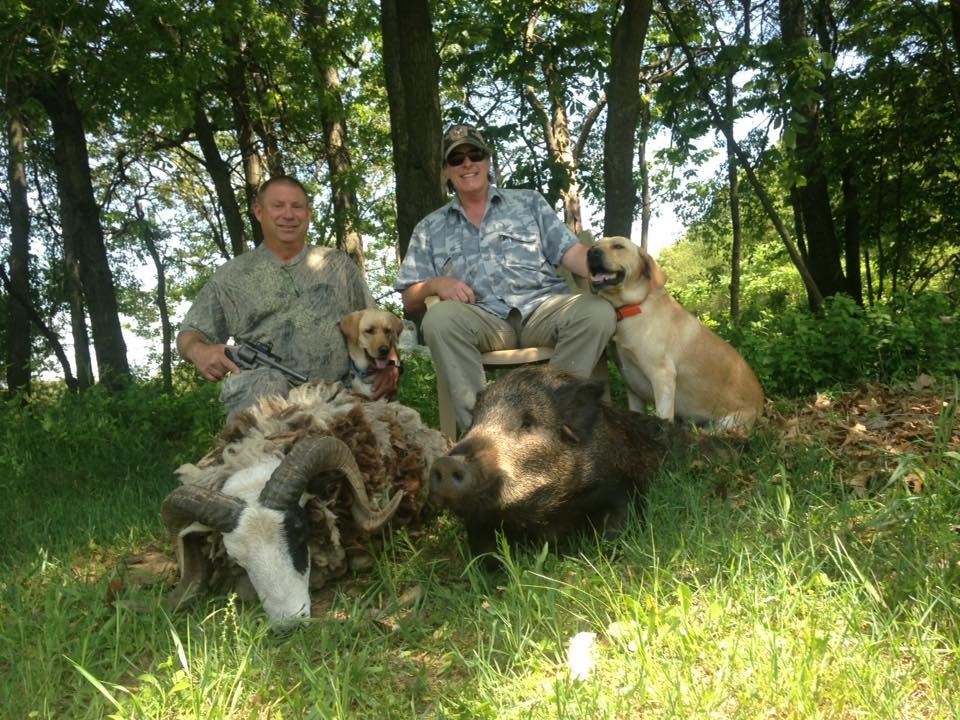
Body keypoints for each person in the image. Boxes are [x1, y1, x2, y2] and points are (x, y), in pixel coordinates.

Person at [395, 124, 616, 434]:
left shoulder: (529, 203)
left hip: (543, 310)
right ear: (446, 171)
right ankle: (484, 434)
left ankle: (553, 421)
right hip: (483, 320)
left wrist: (612, 267)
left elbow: (571, 253)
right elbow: (409, 297)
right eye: (456, 159)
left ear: (488, 161)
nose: (467, 164)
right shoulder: (429, 228)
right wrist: (435, 284)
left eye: (475, 155)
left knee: (597, 312)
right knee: (438, 320)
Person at [177, 175, 399, 421]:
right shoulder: (231, 276)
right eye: (278, 206)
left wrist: (392, 364)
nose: (288, 215)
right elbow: (191, 332)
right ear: (259, 212)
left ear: (308, 213)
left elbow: (376, 322)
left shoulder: (338, 265)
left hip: (339, 393)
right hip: (265, 398)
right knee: (262, 399)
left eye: (297, 206)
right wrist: (199, 351)